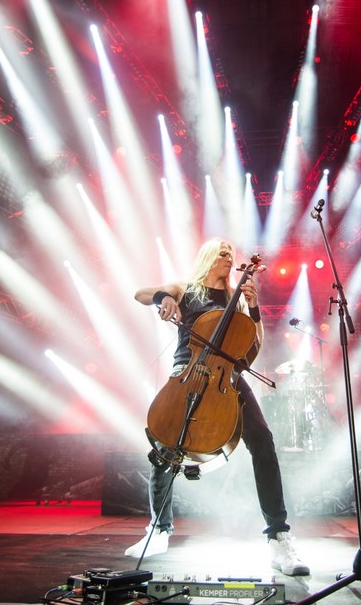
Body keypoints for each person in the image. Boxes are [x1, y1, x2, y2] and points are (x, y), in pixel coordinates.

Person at [126, 237, 309, 576]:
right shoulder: (187, 288)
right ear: (209, 257)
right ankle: (158, 529)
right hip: (187, 371)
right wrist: (164, 298)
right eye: (223, 253)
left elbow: (253, 347)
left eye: (231, 254)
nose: (229, 258)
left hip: (228, 378)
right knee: (165, 442)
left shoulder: (236, 300)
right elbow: (141, 294)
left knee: (263, 439)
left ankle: (278, 537)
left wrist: (253, 310)